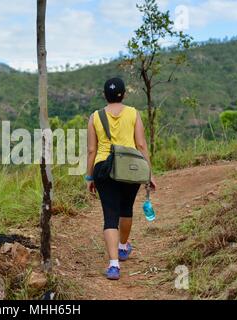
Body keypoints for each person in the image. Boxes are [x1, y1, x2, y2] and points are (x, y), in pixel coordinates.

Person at [85, 77, 156, 280]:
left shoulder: (95, 117)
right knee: (126, 209)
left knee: (110, 216)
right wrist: (149, 173)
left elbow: (92, 150)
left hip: (103, 168)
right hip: (130, 168)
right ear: (123, 94)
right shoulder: (134, 113)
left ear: (104, 96)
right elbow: (141, 145)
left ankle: (114, 265)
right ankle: (123, 247)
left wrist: (89, 176)